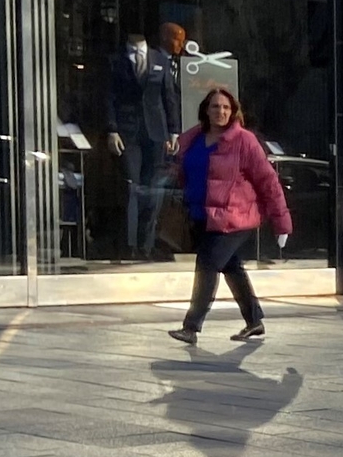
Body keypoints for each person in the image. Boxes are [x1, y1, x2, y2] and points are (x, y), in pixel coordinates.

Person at [169, 86, 288, 344]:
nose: (220, 111)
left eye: (226, 107)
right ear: (206, 110)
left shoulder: (244, 141)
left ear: (233, 112)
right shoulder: (193, 138)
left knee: (208, 263)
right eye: (215, 106)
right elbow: (183, 171)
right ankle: (254, 321)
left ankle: (191, 327)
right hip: (204, 215)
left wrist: (282, 223)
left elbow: (268, 181)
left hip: (236, 216)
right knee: (231, 266)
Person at [110, 28, 183, 258]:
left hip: (156, 132)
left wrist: (173, 131)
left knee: (154, 189)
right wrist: (112, 130)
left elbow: (168, 97)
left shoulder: (160, 59)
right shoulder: (116, 60)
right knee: (132, 186)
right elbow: (109, 97)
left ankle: (147, 244)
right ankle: (130, 244)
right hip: (128, 132)